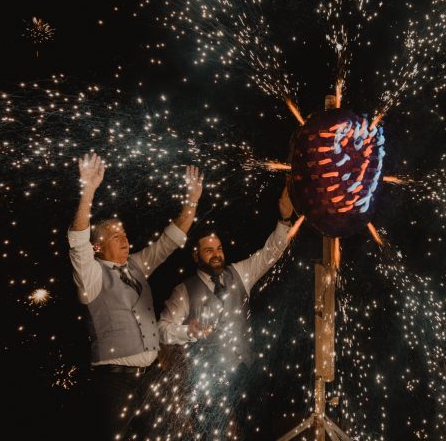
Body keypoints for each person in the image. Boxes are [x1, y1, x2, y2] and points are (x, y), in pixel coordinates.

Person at [67, 152, 203, 439]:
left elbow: (170, 240)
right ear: (98, 248)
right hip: (114, 384)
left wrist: (192, 201)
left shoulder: (137, 265)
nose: (125, 240)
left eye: (125, 234)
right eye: (116, 236)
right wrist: (88, 191)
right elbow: (78, 241)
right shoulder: (90, 275)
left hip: (150, 377)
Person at [157, 185, 293, 434]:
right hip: (207, 379)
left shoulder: (239, 272)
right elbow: (162, 329)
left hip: (245, 372)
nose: (217, 255)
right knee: (218, 432)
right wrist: (188, 331)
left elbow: (270, 253)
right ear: (196, 256)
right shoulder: (183, 291)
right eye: (209, 251)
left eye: (219, 249)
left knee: (248, 431)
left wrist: (284, 219)